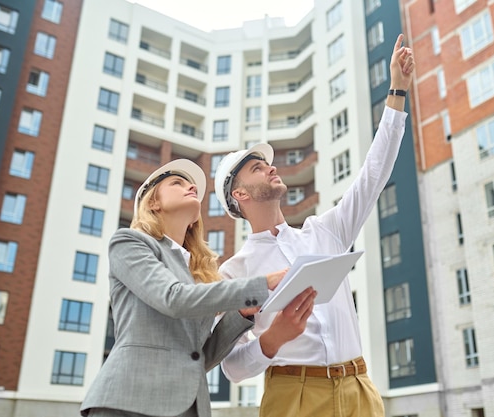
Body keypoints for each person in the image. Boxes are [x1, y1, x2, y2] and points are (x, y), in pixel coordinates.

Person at [212, 34, 415, 417]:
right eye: (258, 168)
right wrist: (273, 339)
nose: (272, 167)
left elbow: (374, 173)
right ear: (240, 195)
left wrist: (397, 92)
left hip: (359, 388)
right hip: (293, 396)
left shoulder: (326, 231)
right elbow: (232, 367)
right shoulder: (233, 273)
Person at [80, 159, 300, 417]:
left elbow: (197, 356)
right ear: (153, 202)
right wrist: (262, 284)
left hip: (189, 406)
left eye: (192, 185)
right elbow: (173, 298)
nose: (191, 187)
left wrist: (240, 315)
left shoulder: (198, 272)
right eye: (177, 183)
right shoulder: (129, 242)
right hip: (129, 402)